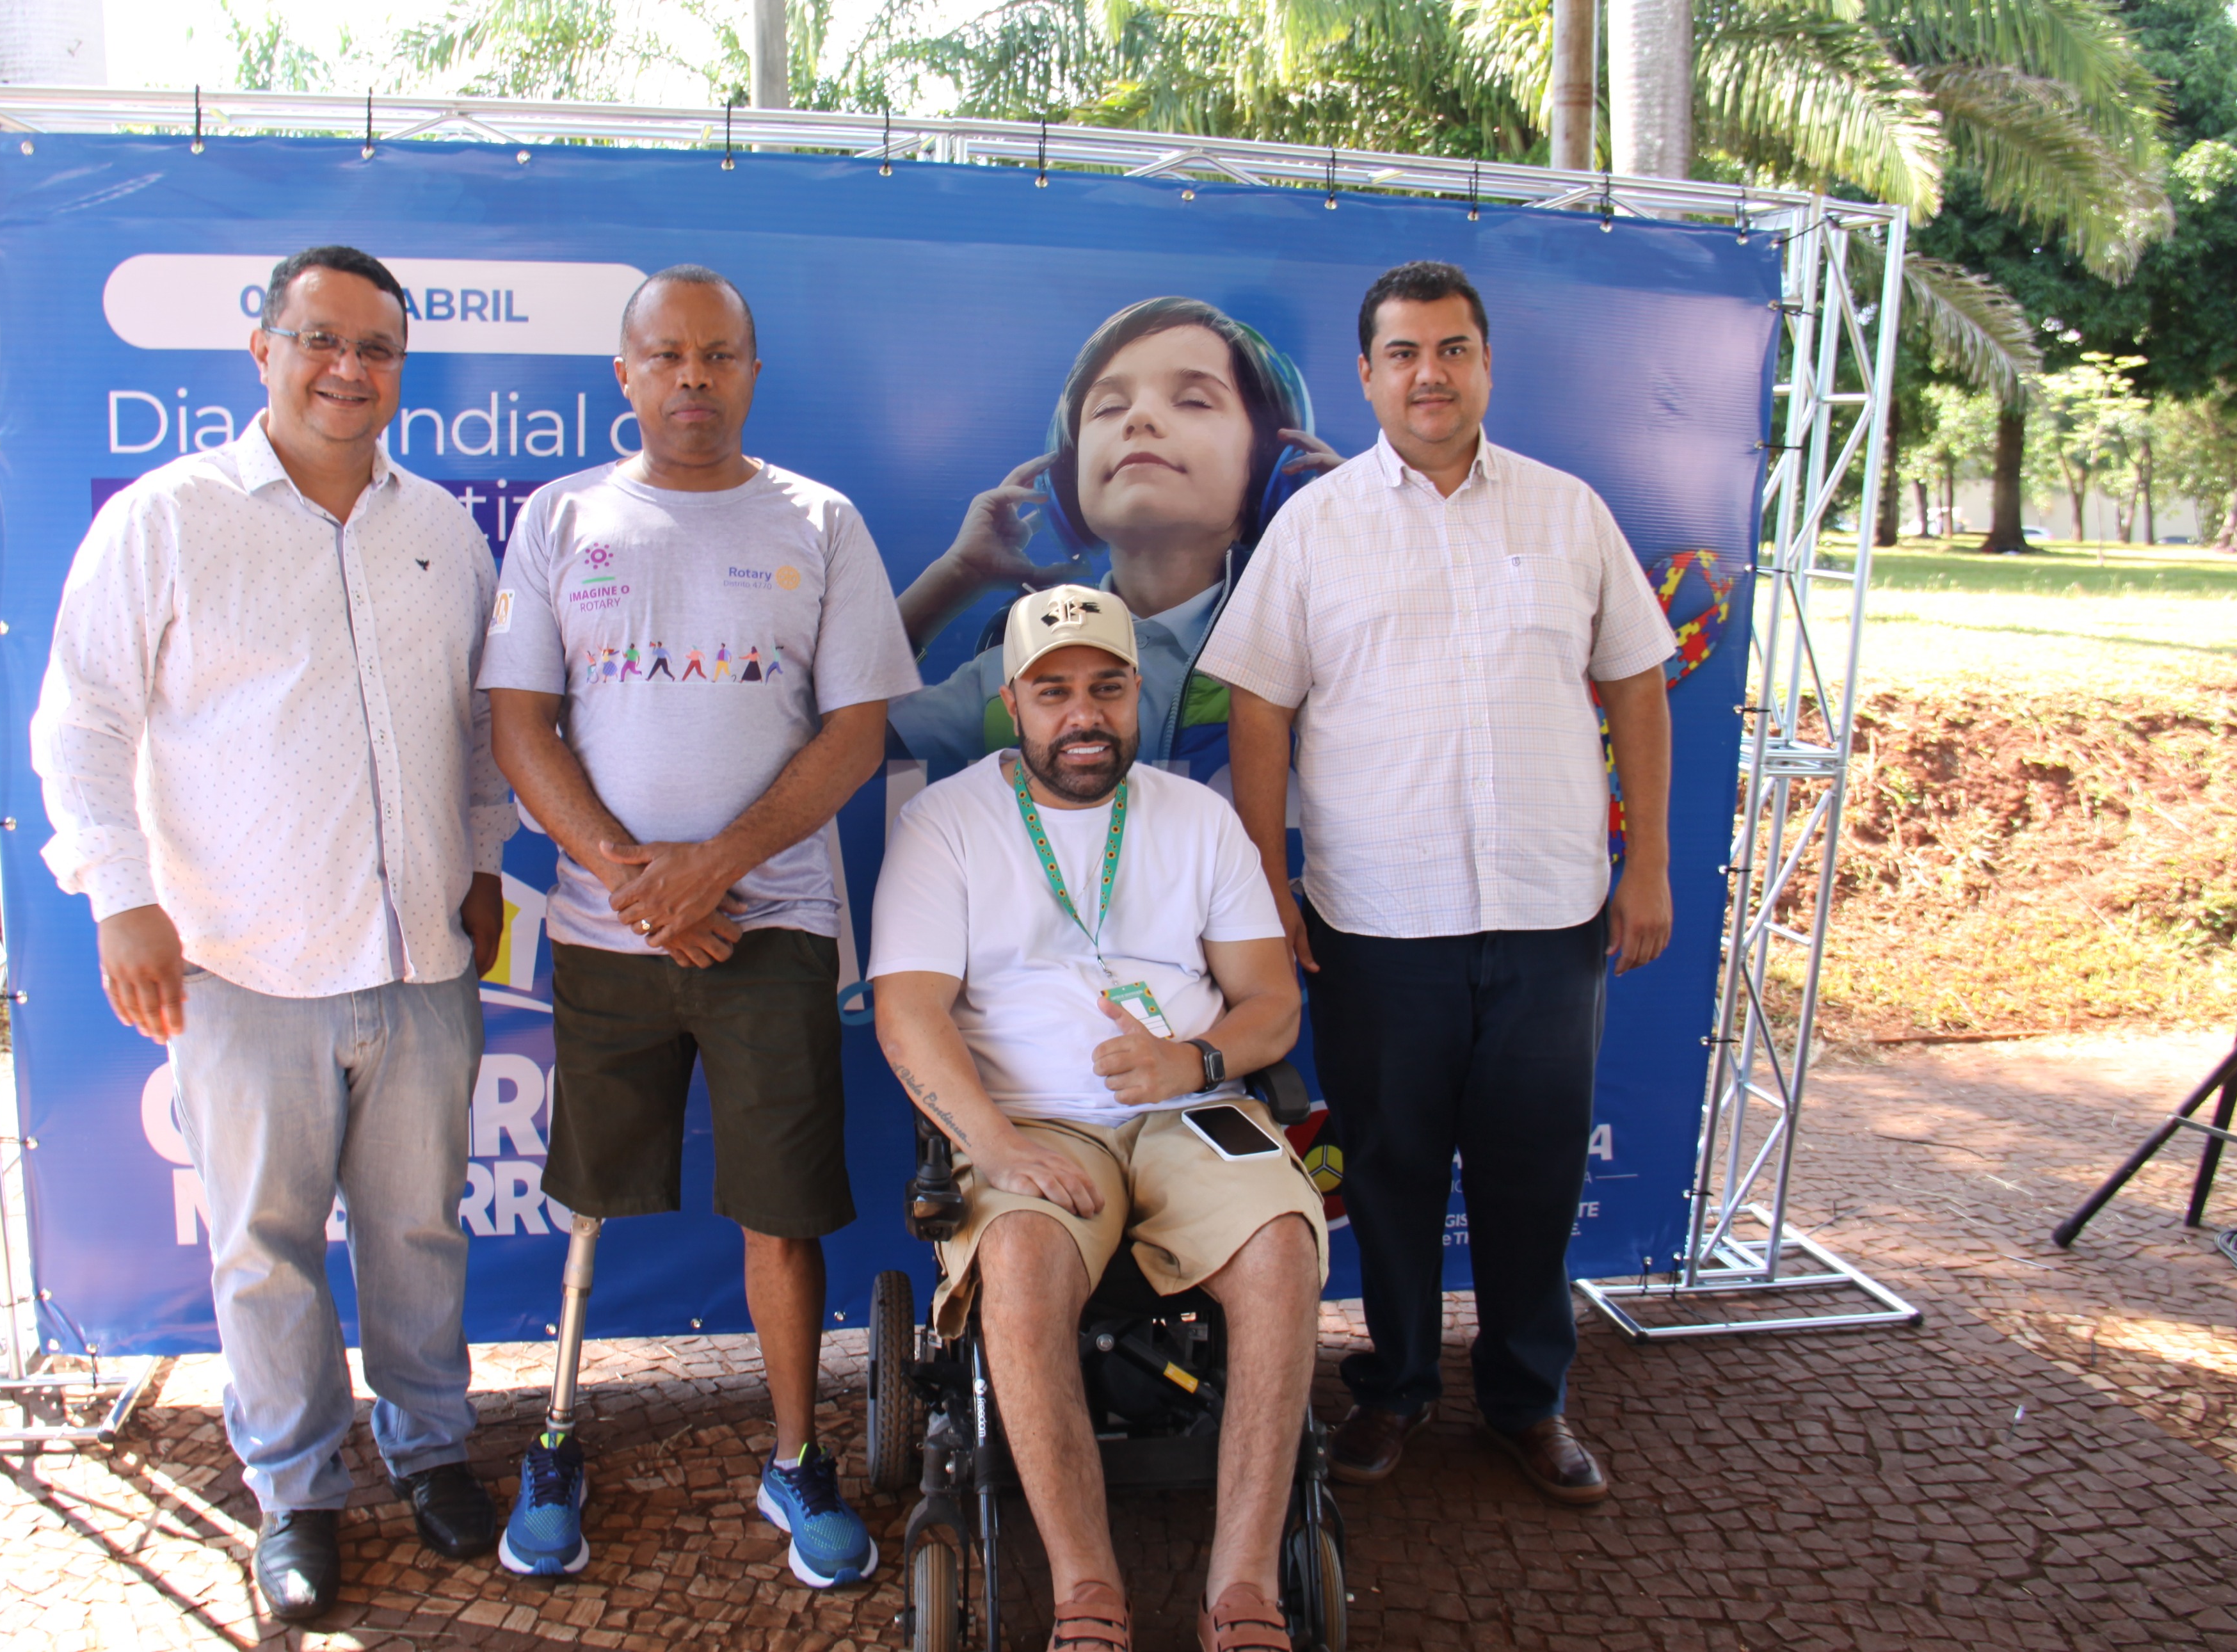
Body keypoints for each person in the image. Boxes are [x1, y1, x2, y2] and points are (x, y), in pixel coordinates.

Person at [31, 245, 513, 1621]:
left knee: (418, 1230)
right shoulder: (168, 520)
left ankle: (430, 1450)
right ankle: (297, 1492)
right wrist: (120, 894)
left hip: (421, 959)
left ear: (401, 368)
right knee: (264, 1245)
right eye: (320, 340)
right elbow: (82, 720)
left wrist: (484, 860)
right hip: (242, 960)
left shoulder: (444, 531)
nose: (347, 369)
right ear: (264, 351)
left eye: (377, 348)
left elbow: (481, 727)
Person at [1201, 259, 1678, 1506]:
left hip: (1550, 914)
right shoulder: (1316, 526)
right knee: (1390, 1168)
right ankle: (1398, 1386)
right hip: (1374, 918)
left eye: (1453, 349)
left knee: (1535, 1172)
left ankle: (1528, 1399)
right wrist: (1265, 880)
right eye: (1404, 353)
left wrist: (1648, 864)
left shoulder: (1569, 513)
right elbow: (1258, 710)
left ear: (1485, 366)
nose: (1430, 374)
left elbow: (1635, 682)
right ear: (1366, 375)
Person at [479, 264, 920, 1586]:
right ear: (622, 374)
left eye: (717, 354)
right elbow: (520, 725)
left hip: (771, 929)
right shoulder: (561, 517)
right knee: (587, 1196)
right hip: (607, 933)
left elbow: (857, 733)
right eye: (665, 355)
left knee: (782, 1212)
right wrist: (638, 882)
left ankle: (794, 1459)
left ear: (751, 373)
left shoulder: (821, 520)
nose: (691, 377)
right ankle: (557, 1437)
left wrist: (714, 867)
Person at [872, 585, 1325, 1652]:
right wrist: (996, 1145)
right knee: (1021, 1265)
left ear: (1140, 694)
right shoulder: (946, 824)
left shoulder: (1198, 818)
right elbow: (908, 1013)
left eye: (1108, 688)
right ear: (1011, 704)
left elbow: (1271, 1005)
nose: (1084, 715)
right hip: (1030, 1121)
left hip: (1191, 1109)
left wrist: (1194, 1058)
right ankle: (1087, 1593)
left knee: (1280, 1246)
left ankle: (1244, 1588)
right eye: (1054, 692)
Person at [886, 297, 1341, 782]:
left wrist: (1370, 559)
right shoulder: (1014, 668)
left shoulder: (1320, 652)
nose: (1138, 418)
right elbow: (839, 739)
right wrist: (956, 577)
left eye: (1193, 400)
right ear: (1067, 477)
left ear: (1272, 466)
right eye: (1108, 407)